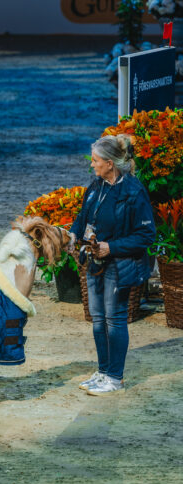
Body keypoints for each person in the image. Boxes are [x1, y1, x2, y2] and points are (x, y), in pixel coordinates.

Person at [69, 134, 155, 395]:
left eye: (95, 161)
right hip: (95, 263)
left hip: (121, 266)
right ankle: (104, 371)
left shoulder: (133, 191)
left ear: (110, 163)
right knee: (98, 321)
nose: (92, 165)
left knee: (114, 320)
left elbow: (146, 235)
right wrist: (74, 234)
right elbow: (83, 216)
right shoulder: (97, 185)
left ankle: (115, 378)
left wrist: (111, 247)